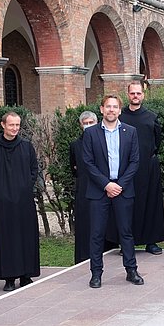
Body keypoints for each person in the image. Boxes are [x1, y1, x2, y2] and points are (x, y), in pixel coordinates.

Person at [83, 94, 143, 288]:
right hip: (99, 190)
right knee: (97, 234)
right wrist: (106, 184)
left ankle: (131, 270)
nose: (111, 110)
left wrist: (119, 185)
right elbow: (88, 162)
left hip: (123, 189)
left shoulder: (130, 132)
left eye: (115, 107)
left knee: (126, 232)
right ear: (102, 109)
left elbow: (134, 161)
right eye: (108, 106)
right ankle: (96, 274)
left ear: (119, 110)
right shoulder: (91, 133)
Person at [0, 111, 40, 291]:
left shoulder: (26, 146)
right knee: (6, 239)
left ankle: (25, 275)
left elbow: (33, 170)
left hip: (24, 202)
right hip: (3, 203)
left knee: (26, 237)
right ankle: (8, 278)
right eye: (11, 125)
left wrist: (24, 188)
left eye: (17, 125)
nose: (15, 128)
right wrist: (4, 194)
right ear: (3, 125)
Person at [115, 80, 164, 255]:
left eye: (138, 93)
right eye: (132, 93)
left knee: (151, 204)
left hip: (148, 168)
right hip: (125, 170)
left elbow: (157, 142)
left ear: (143, 95)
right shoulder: (120, 118)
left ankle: (151, 242)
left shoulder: (152, 117)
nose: (135, 96)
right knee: (126, 205)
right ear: (128, 95)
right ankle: (126, 243)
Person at [69, 110, 97, 264]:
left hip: (101, 188)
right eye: (85, 123)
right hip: (83, 188)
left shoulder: (103, 142)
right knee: (84, 222)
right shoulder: (75, 145)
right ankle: (83, 256)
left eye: (91, 123)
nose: (88, 126)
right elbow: (73, 167)